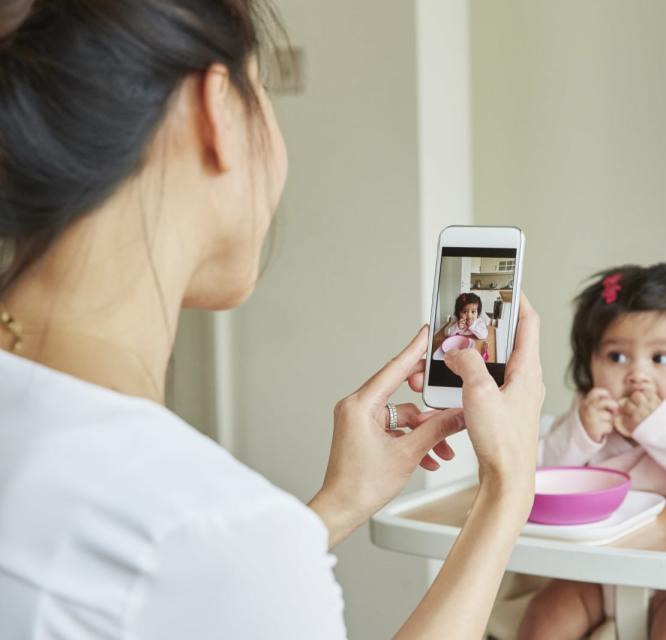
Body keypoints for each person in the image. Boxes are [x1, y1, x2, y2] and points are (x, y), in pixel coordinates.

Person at [0, 2, 544, 638]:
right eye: (265, 93)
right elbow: (194, 568)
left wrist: (335, 505)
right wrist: (507, 488)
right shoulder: (207, 528)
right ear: (218, 110)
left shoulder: (204, 537)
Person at [520, 264, 666, 640]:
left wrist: (659, 428)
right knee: (544, 617)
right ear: (589, 365)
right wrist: (581, 434)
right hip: (597, 574)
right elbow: (535, 481)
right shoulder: (589, 416)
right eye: (616, 357)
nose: (636, 375)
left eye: (660, 358)